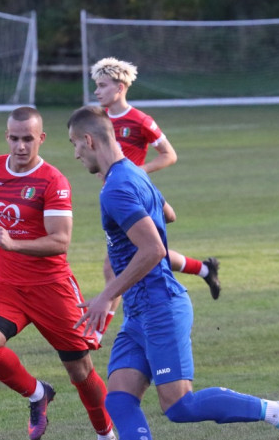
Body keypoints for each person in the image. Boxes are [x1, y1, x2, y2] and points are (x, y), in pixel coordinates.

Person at [67, 105, 279, 440]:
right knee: (119, 398)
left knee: (178, 406)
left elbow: (154, 250)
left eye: (74, 145)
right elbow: (168, 215)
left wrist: (106, 295)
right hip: (141, 311)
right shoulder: (133, 173)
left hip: (160, 306)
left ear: (90, 140)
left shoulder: (116, 188)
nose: (75, 155)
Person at [0, 106, 120, 440]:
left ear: (41, 138)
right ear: (7, 137)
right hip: (8, 286)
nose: (21, 146)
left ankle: (106, 436)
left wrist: (13, 244)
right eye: (15, 138)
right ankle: (37, 394)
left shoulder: (53, 181)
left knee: (80, 372)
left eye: (28, 139)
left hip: (53, 289)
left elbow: (60, 241)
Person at [90, 57, 221, 303]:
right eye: (96, 85)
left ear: (120, 88)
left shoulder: (140, 120)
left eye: (102, 85)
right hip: (117, 196)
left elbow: (169, 155)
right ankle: (204, 269)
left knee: (114, 267)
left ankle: (95, 332)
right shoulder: (99, 121)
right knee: (142, 251)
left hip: (135, 193)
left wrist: (137, 170)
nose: (97, 91)